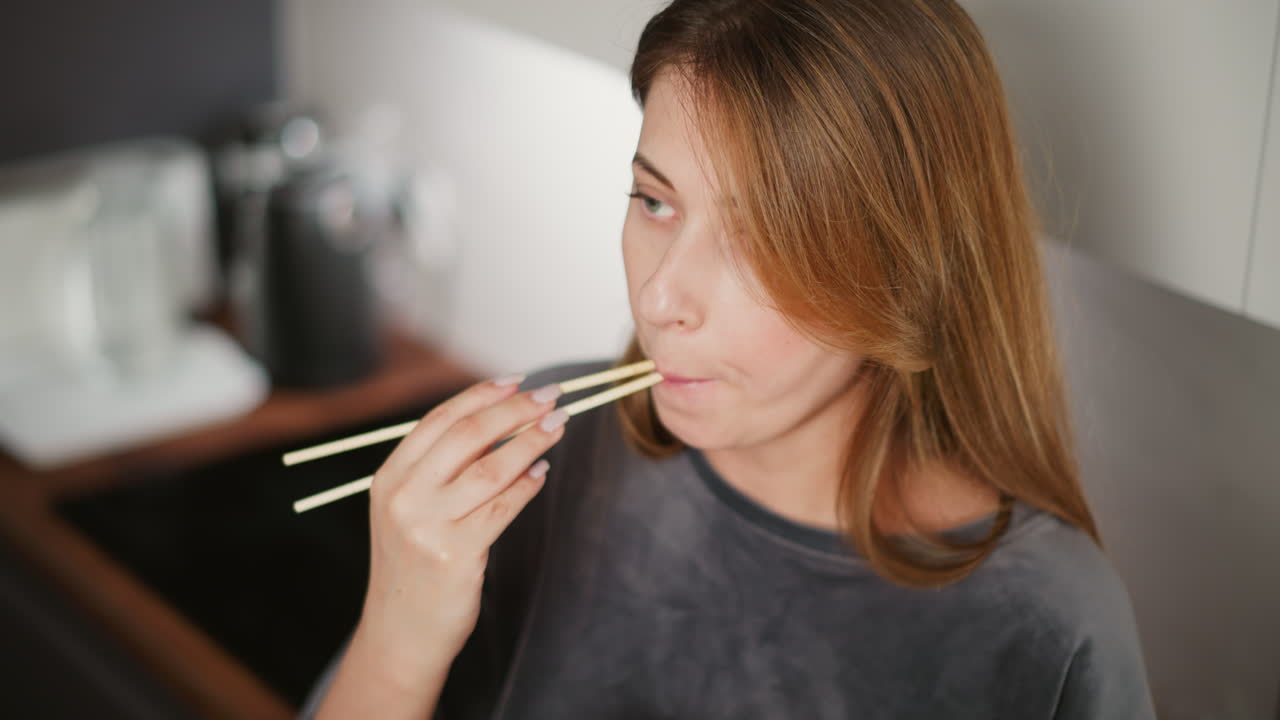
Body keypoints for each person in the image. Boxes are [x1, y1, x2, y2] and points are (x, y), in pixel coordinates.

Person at [304, 0, 1156, 717]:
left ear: (905, 270)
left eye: (759, 241)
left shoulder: (1048, 628)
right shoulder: (545, 462)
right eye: (654, 200)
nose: (662, 298)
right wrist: (398, 632)